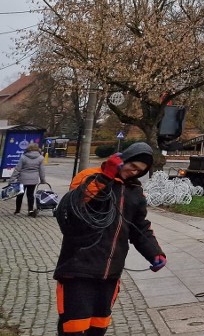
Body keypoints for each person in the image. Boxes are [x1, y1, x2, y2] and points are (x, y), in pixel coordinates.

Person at [54, 142, 167, 335]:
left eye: (139, 171)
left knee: (99, 326)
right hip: (79, 269)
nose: (134, 172)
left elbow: (139, 227)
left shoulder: (135, 191)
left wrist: (154, 253)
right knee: (73, 328)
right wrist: (106, 177)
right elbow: (76, 206)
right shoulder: (89, 177)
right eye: (133, 166)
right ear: (125, 158)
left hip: (110, 273)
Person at [10, 142, 46, 216]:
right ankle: (30, 210)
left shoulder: (23, 157)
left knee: (20, 194)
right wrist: (43, 179)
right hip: (33, 180)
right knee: (30, 195)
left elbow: (17, 169)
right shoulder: (41, 158)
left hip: (22, 179)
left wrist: (12, 179)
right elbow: (42, 170)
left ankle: (17, 210)